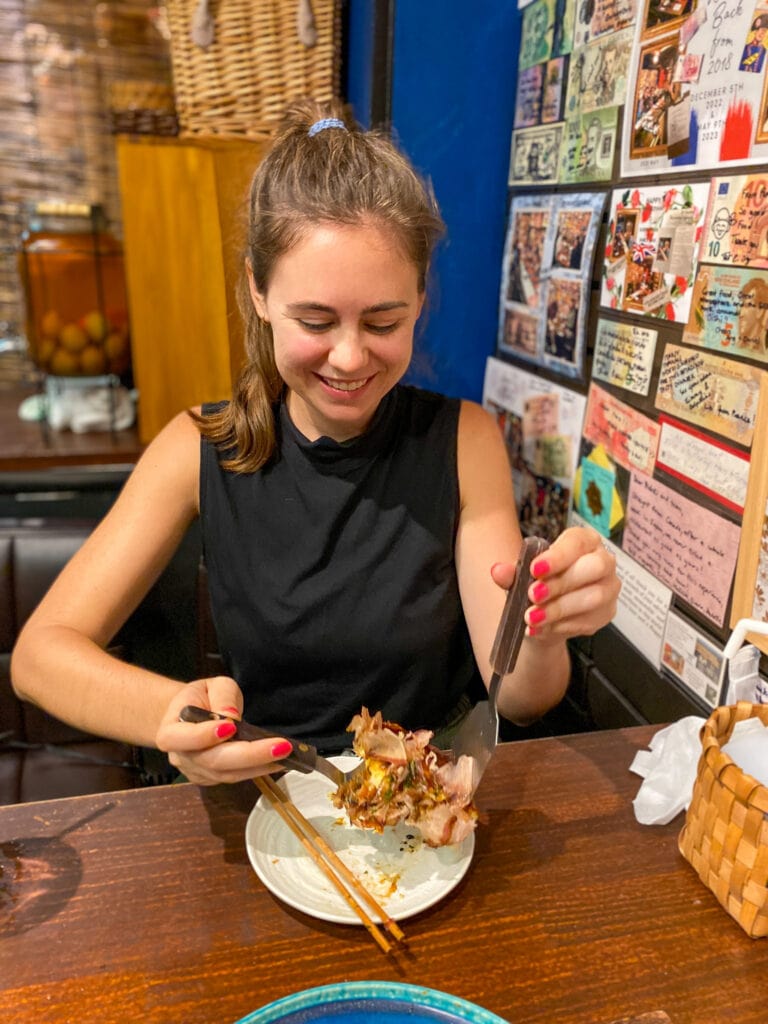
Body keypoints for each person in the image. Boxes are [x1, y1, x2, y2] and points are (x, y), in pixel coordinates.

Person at [11, 101, 620, 788]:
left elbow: (516, 695)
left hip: (429, 794)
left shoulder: (463, 441)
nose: (350, 356)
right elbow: (39, 657)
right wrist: (173, 713)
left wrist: (542, 631)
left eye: (383, 320)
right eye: (316, 320)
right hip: (273, 795)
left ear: (420, 299)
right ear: (259, 291)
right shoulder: (198, 446)